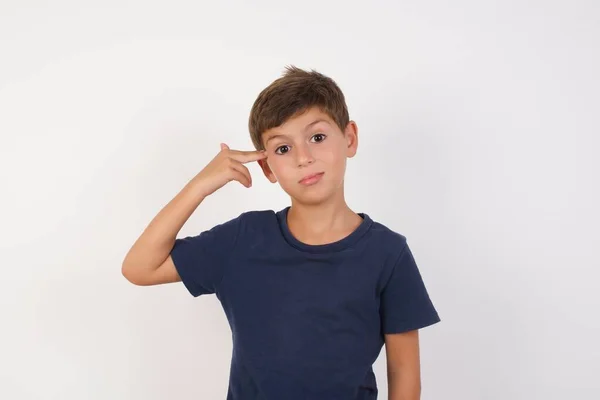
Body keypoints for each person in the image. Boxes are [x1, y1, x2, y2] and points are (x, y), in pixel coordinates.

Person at [122, 65, 441, 399]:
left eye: (317, 137)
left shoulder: (388, 253)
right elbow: (140, 267)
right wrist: (199, 186)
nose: (303, 158)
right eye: (283, 148)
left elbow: (404, 372)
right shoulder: (242, 239)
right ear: (267, 167)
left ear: (350, 138)